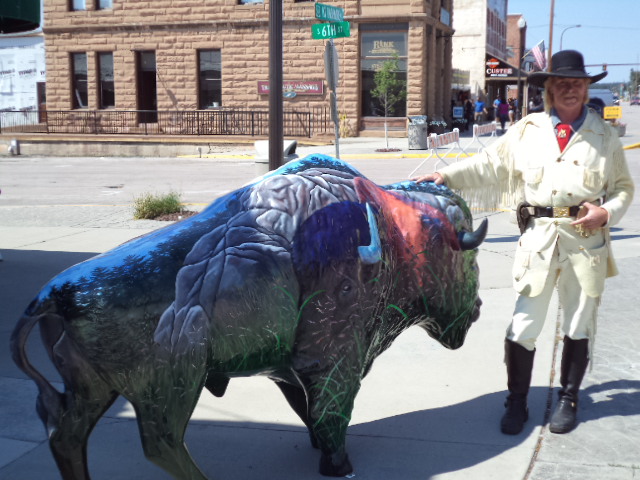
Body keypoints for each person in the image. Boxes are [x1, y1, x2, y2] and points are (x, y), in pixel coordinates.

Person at [414, 50, 634, 436]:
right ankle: (516, 401)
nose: (570, 89)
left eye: (577, 84)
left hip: (586, 242)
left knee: (579, 322)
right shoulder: (528, 130)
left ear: (586, 89)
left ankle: (568, 398)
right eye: (562, 83)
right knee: (523, 324)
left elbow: (622, 189)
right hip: (539, 239)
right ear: (549, 89)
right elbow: (489, 164)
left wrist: (606, 213)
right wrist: (446, 177)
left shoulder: (604, 136)